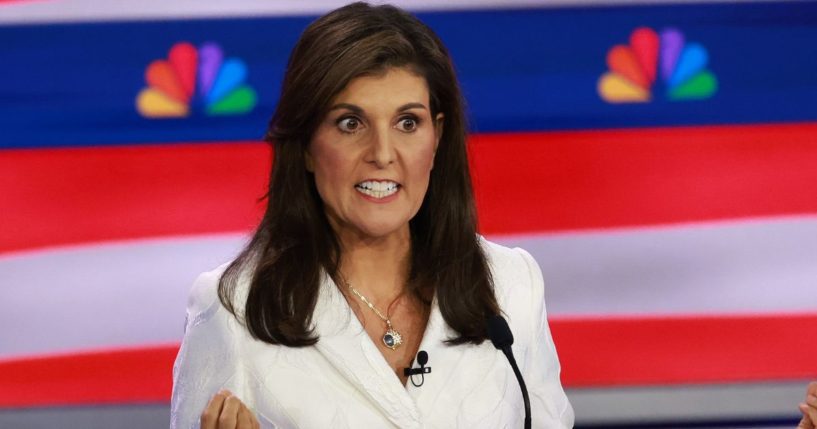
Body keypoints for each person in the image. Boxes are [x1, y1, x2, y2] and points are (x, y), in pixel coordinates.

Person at [169, 2, 574, 428]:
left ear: (437, 137)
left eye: (407, 123)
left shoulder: (510, 285)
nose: (382, 154)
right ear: (307, 145)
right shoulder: (237, 310)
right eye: (350, 124)